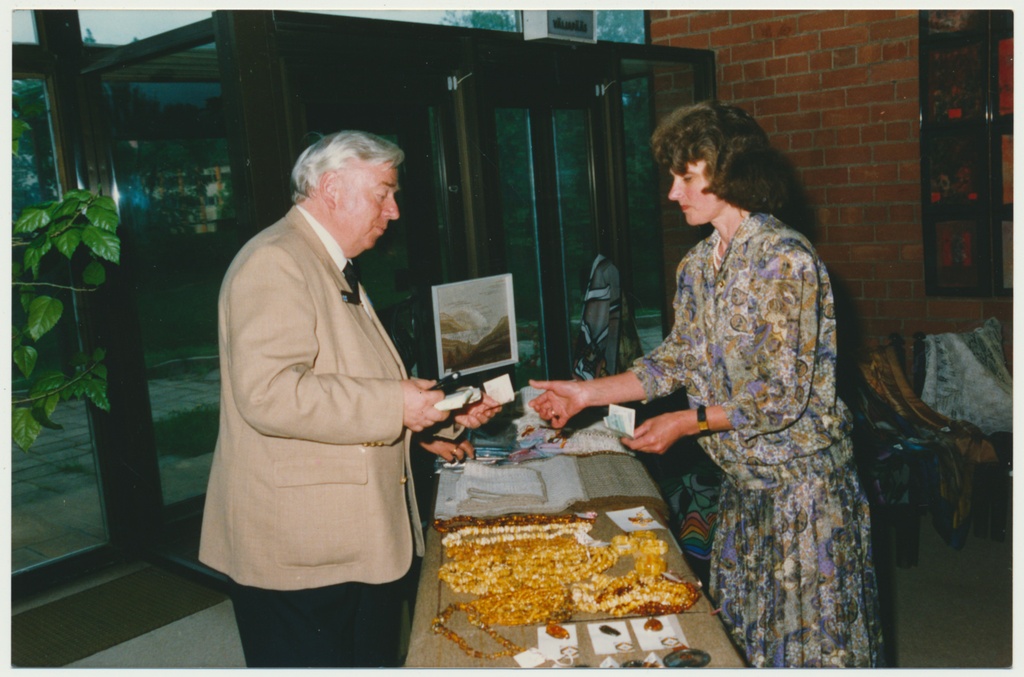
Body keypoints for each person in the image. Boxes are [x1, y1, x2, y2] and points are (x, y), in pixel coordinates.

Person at [529, 101, 884, 668]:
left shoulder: (785, 258)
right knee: (742, 640)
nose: (673, 193)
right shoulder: (696, 265)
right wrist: (585, 394)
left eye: (686, 177)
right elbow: (676, 359)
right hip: (744, 484)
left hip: (804, 491)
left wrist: (686, 422)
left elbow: (783, 393)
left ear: (731, 174)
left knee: (810, 649)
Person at [199, 130, 501, 668]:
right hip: (302, 550)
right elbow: (268, 394)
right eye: (384, 192)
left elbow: (349, 379)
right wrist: (396, 407)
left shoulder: (323, 258)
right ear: (332, 188)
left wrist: (432, 421)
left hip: (343, 537)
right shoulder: (276, 261)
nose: (395, 210)